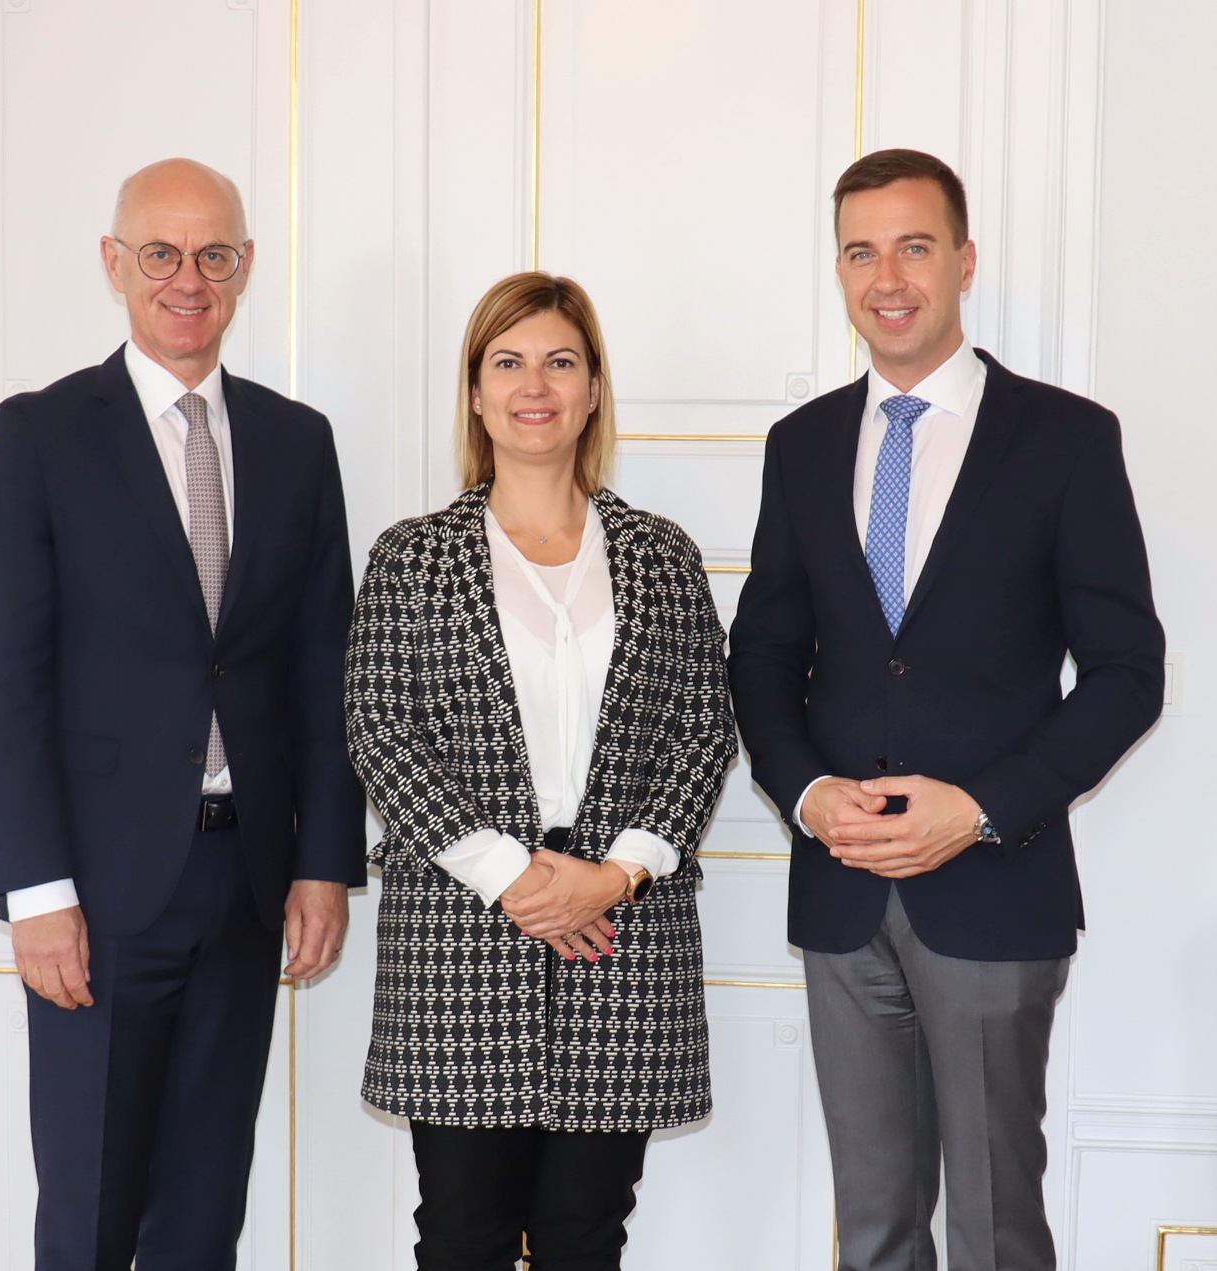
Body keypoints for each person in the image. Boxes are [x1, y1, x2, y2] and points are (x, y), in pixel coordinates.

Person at [728, 148, 1164, 1271]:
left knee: (992, 1229)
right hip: (838, 891)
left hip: (991, 892)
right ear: (837, 270)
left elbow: (1125, 668)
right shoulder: (801, 444)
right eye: (860, 250)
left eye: (913, 245)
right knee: (870, 1232)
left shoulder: (1063, 438)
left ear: (962, 261)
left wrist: (975, 808)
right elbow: (764, 653)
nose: (887, 275)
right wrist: (811, 794)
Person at [0, 157, 365, 1271]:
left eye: (214, 256)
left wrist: (322, 862)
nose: (189, 280)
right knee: (90, 1210)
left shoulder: (296, 440)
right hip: (94, 894)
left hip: (244, 884)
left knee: (203, 1213)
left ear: (243, 269)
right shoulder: (41, 434)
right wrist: (36, 890)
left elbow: (320, 664)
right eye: (162, 254)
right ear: (115, 263)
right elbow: (5, 678)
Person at [345, 271, 737, 1271]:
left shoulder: (660, 556)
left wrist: (614, 872)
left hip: (622, 938)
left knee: (582, 1237)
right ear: (474, 393)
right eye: (507, 361)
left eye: (560, 360)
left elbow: (703, 731)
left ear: (594, 388)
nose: (535, 384)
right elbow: (379, 728)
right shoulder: (412, 558)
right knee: (464, 1237)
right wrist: (510, 875)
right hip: (461, 942)